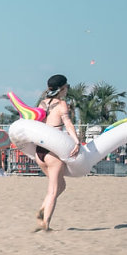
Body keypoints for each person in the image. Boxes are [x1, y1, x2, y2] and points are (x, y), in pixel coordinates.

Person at [33, 74, 80, 231]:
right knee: (53, 190)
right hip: (53, 152)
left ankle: (42, 211)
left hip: (39, 151)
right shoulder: (62, 105)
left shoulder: (42, 103)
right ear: (62, 89)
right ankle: (45, 224)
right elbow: (68, 124)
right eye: (66, 87)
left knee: (61, 185)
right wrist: (77, 141)